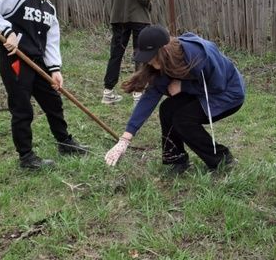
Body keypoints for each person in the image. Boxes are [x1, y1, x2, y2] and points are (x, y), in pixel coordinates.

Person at [0, 0, 88, 169]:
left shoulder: (49, 10)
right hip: (16, 62)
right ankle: (26, 157)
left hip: (38, 63)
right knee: (22, 109)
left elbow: (51, 42)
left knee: (53, 102)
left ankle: (64, 142)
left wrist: (55, 69)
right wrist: (7, 31)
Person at [103, 25, 245, 175]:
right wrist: (126, 138)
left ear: (163, 51)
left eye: (150, 56)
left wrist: (184, 86)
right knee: (167, 109)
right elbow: (150, 97)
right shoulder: (162, 64)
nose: (148, 62)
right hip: (202, 90)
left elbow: (218, 86)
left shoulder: (200, 55)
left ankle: (222, 160)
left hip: (228, 94)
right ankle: (175, 160)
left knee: (183, 119)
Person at [102, 0, 152, 105]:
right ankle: (138, 93)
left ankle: (107, 92)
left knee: (116, 54)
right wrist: (149, 1)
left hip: (118, 17)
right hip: (139, 17)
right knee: (140, 54)